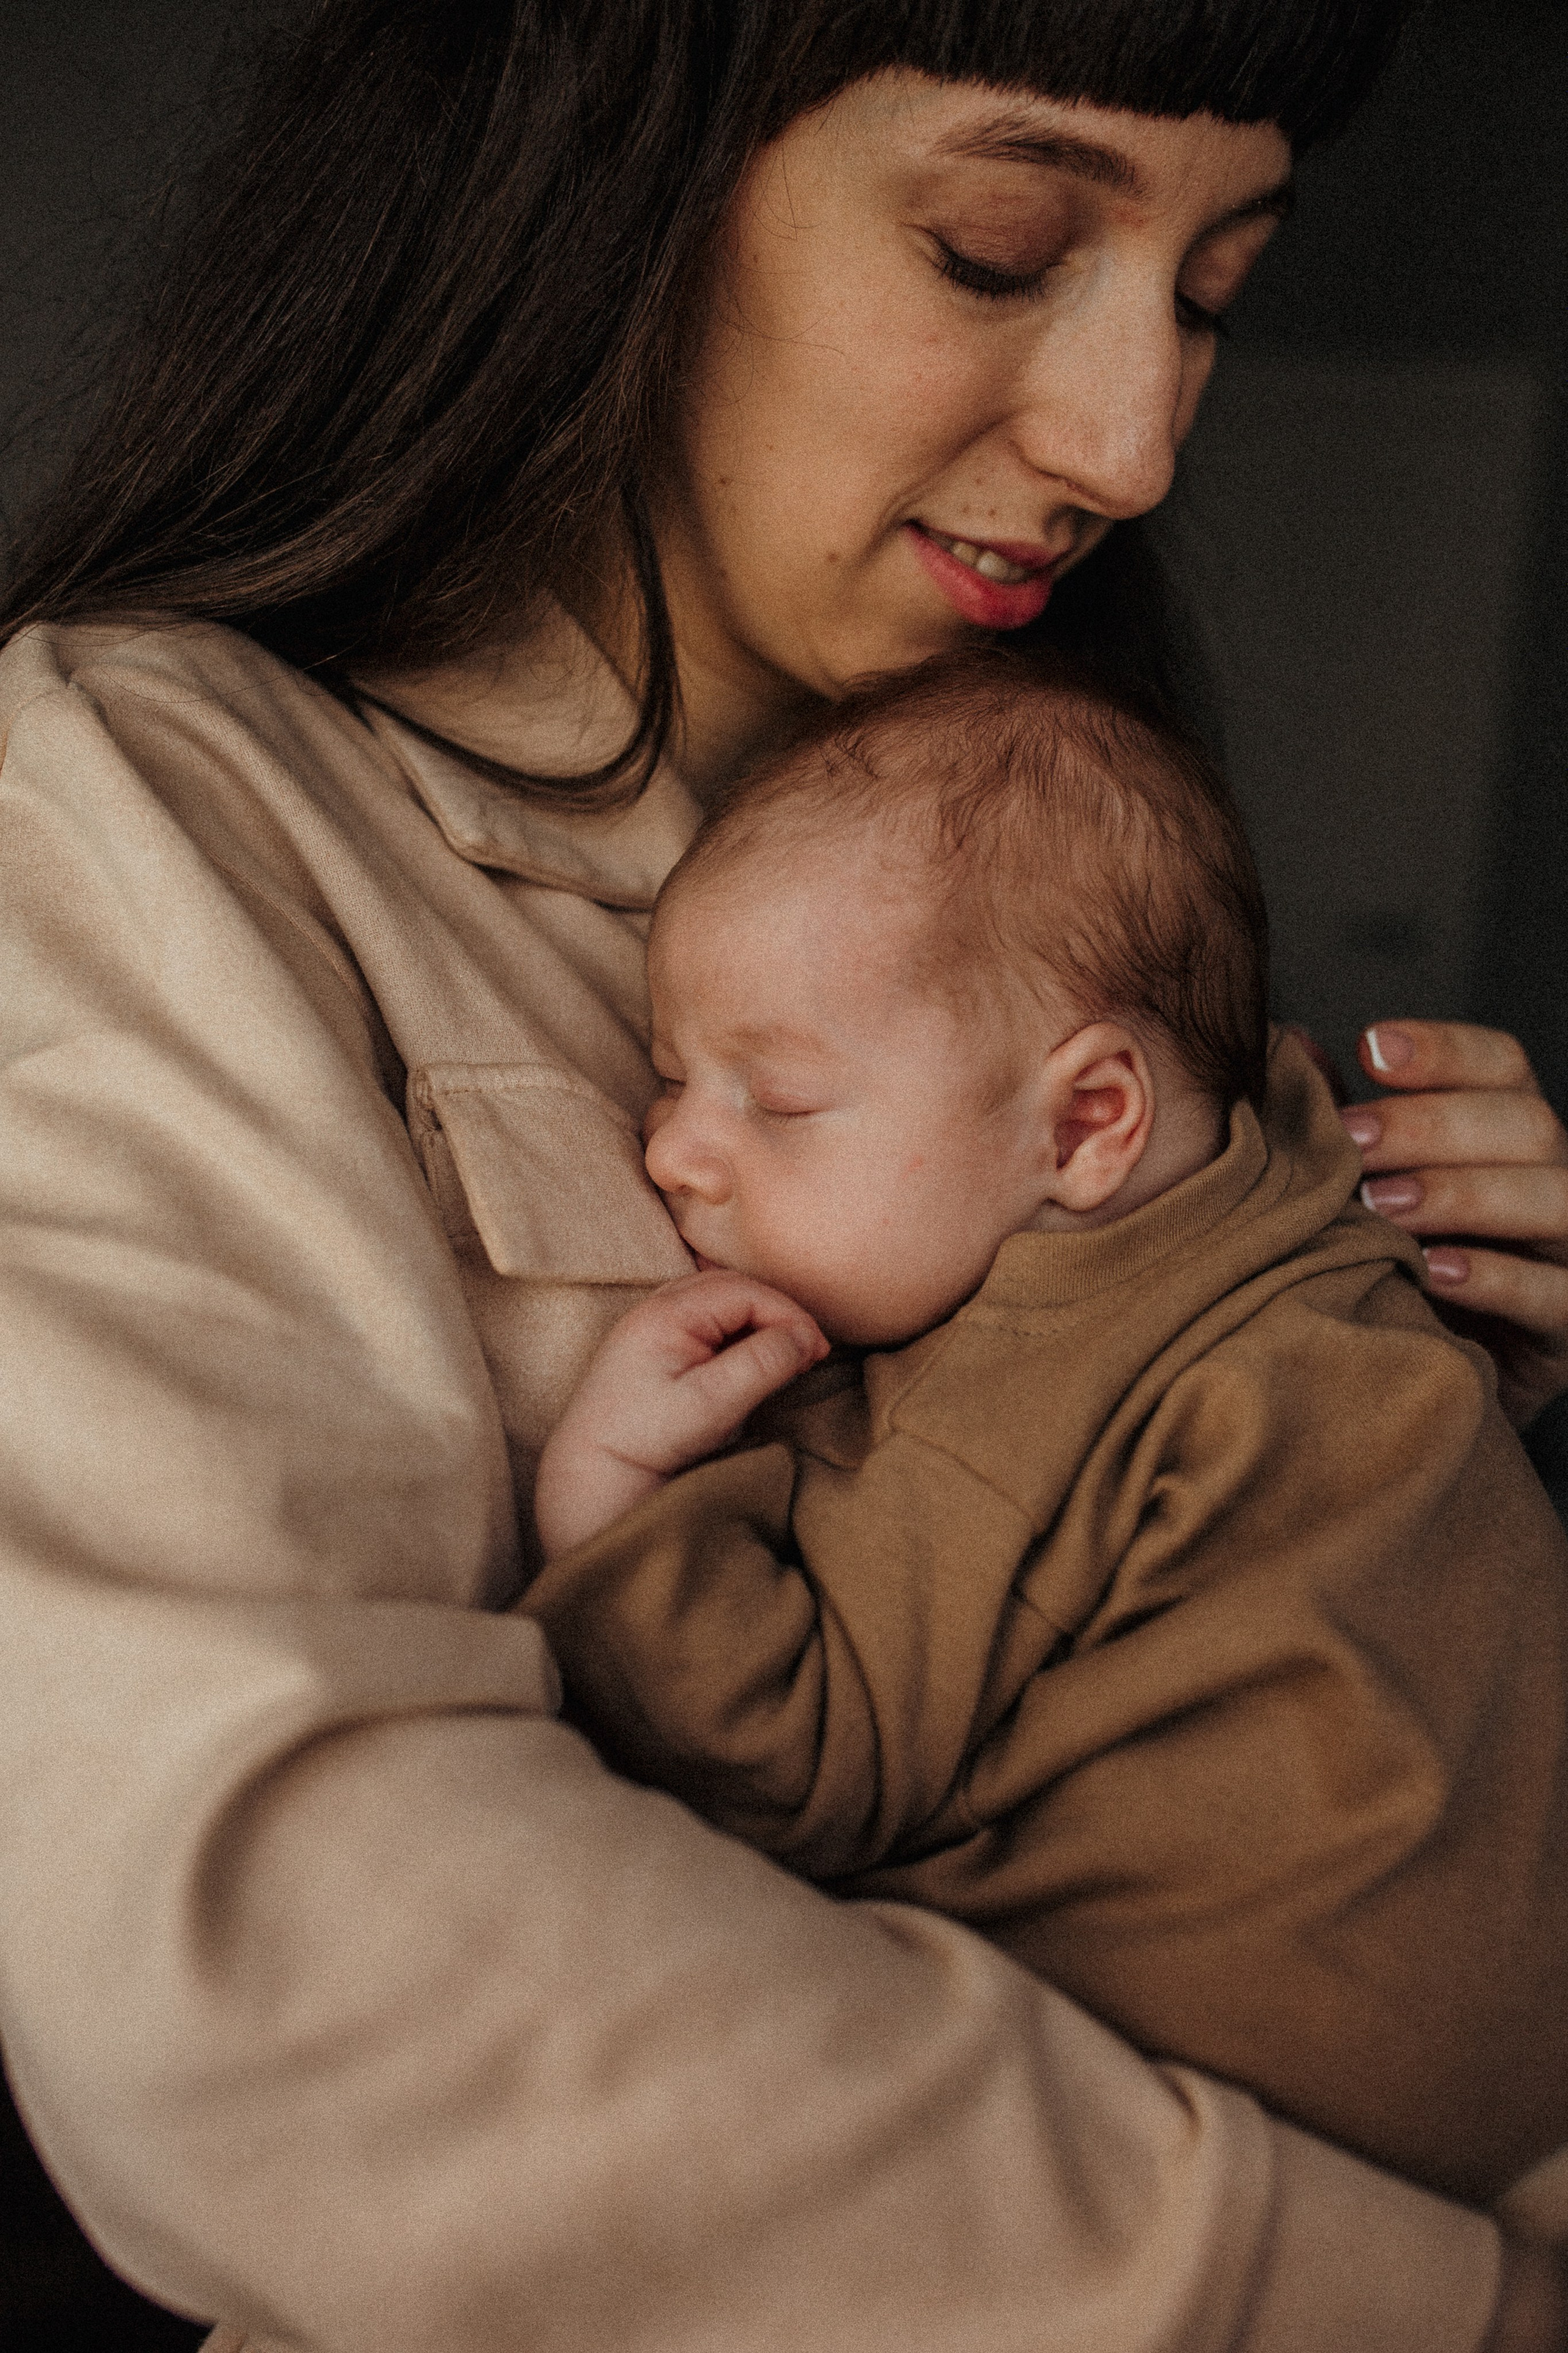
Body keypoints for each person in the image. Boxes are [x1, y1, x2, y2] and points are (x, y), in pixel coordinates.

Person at [2, 3, 1567, 2349]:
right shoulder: (145, 810)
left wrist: (1380, 1388)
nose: (1137, 438)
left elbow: (1173, 1670)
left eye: (1217, 291)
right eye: (996, 245)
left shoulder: (1042, 821)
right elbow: (263, 1949)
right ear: (601, 177)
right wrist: (1418, 2304)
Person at [527, 650, 1568, 2210]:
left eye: (779, 1099)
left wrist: (614, 1512)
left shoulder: (1028, 1383)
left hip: (1243, 2107)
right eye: (676, 1076)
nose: (673, 1147)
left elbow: (793, 1757)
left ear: (1088, 1123)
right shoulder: (1308, 1219)